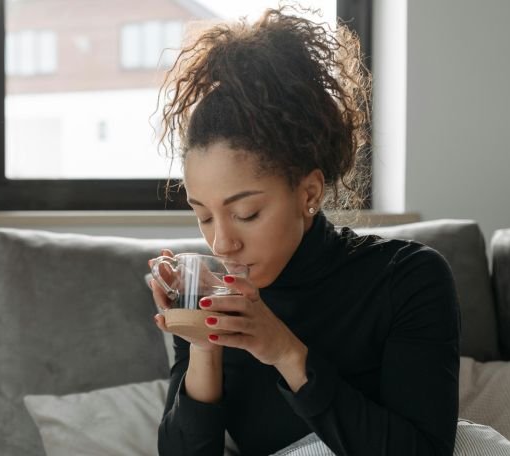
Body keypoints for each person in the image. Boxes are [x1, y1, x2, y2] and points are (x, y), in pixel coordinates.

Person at [148, 7, 460, 456]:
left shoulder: (408, 279)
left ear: (308, 191)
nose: (222, 243)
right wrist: (205, 346)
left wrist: (285, 352)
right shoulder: (215, 303)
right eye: (204, 215)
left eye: (248, 213)